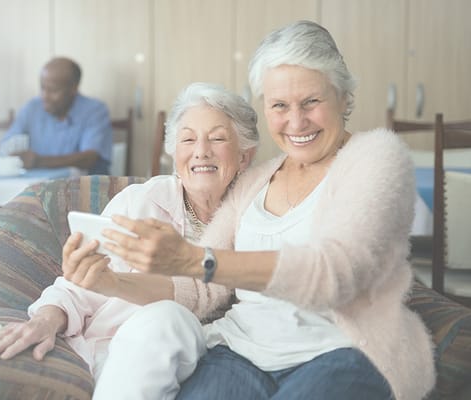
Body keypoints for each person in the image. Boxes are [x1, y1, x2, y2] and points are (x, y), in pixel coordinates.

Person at [98, 21, 434, 400]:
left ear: (343, 96)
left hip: (345, 351)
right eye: (279, 105)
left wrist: (199, 260)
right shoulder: (256, 180)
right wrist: (110, 283)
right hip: (240, 350)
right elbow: (198, 290)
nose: (296, 121)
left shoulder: (377, 158)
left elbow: (335, 271)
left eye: (311, 102)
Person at [0, 82, 259, 392]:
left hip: (218, 356)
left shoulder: (260, 211)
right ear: (174, 153)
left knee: (168, 318)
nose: (200, 151)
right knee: (164, 318)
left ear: (244, 157)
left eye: (217, 138)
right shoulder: (140, 202)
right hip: (128, 352)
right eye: (188, 139)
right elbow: (81, 284)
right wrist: (45, 319)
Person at [0, 57, 113, 175]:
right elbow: (7, 144)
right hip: (36, 186)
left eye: (53, 90)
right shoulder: (32, 108)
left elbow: (89, 158)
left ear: (74, 88)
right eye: (42, 88)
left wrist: (39, 161)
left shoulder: (95, 110)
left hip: (83, 188)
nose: (45, 96)